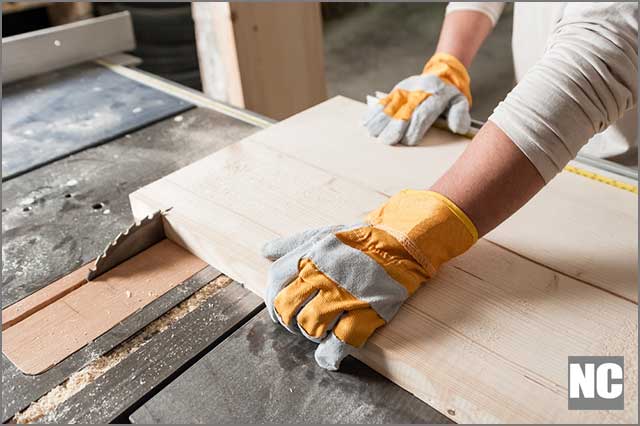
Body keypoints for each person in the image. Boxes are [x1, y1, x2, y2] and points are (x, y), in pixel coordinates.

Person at [261, 2, 638, 370]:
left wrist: (414, 235)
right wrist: (448, 63)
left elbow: (606, 48)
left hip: (621, 171)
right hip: (540, 141)